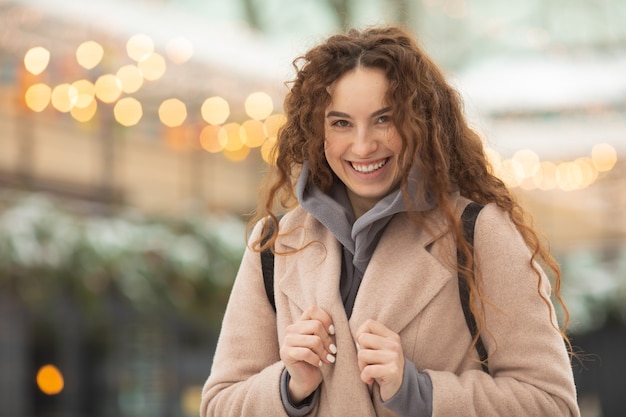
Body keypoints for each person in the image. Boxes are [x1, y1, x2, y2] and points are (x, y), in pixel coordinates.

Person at [200, 26, 580, 416]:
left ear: (420, 123)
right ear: (317, 131)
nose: (363, 146)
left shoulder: (479, 232)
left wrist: (418, 391)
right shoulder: (276, 243)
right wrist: (290, 386)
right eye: (341, 123)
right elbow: (218, 405)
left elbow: (552, 404)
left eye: (384, 119)